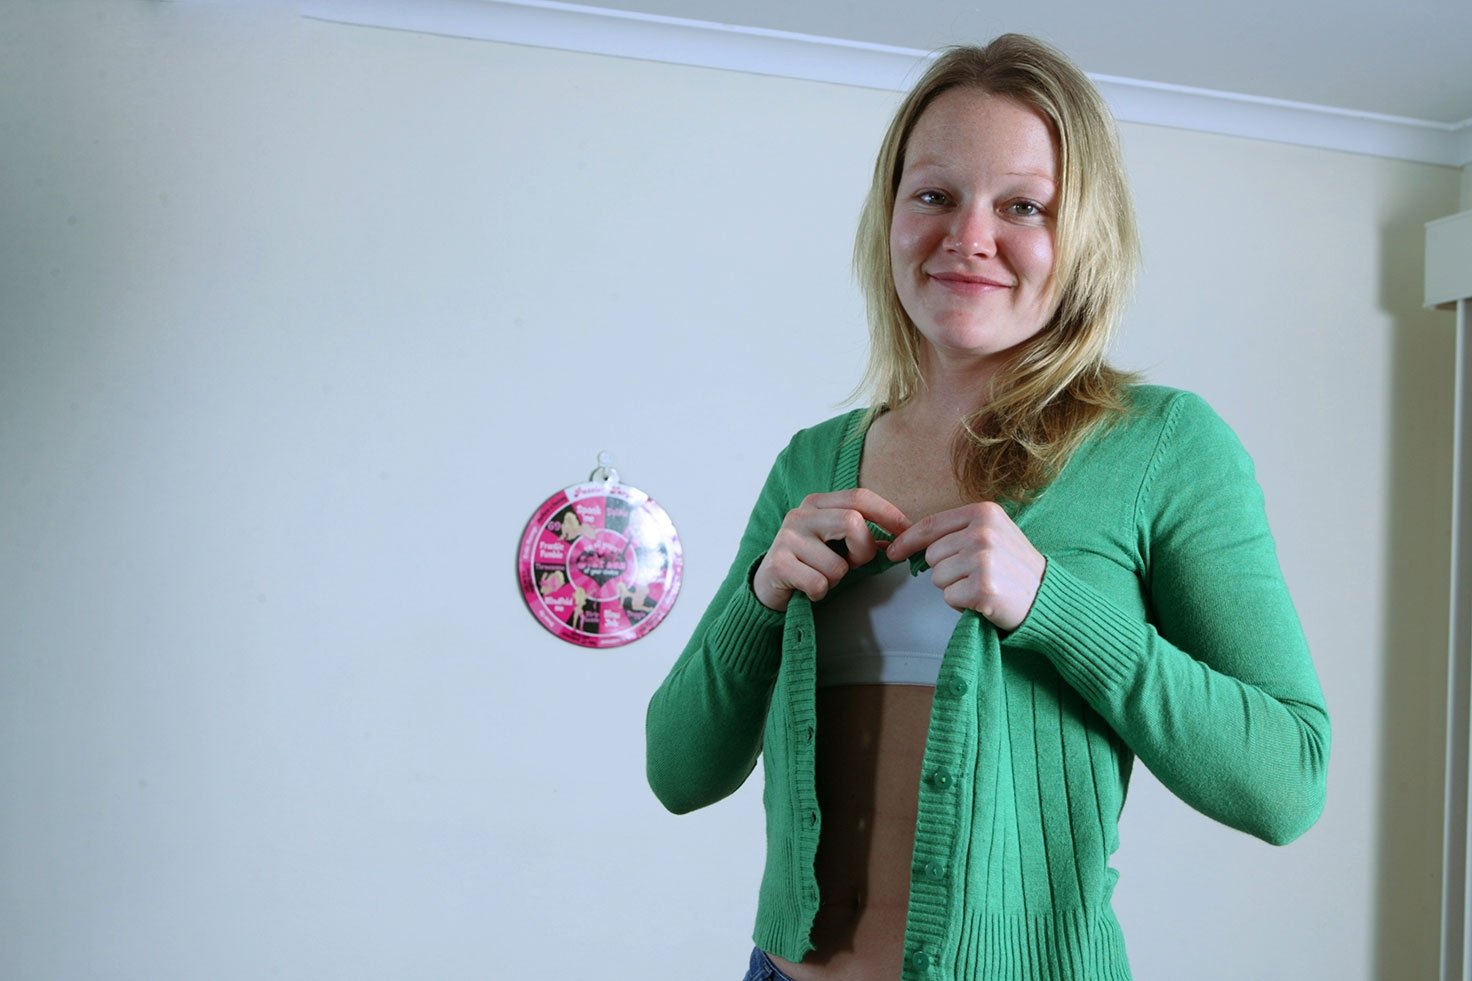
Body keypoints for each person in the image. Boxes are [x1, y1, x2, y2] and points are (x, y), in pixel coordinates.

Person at [646, 33, 1329, 981]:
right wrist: (760, 598)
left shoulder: (1166, 446)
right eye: (934, 195)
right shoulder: (812, 462)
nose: (968, 237)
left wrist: (1055, 607)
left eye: (1023, 205)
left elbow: (1289, 783)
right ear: (890, 216)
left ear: (1082, 234)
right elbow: (678, 771)